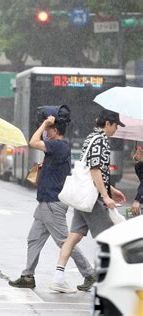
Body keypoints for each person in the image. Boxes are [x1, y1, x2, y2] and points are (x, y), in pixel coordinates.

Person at [8, 116, 94, 291]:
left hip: (53, 203)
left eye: (48, 130)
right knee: (34, 239)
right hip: (45, 203)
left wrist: (44, 123)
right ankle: (27, 276)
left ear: (55, 131)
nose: (46, 133)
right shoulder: (55, 148)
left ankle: (90, 274)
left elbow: (32, 142)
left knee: (65, 242)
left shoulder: (58, 146)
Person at [50, 109, 126, 293]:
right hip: (92, 199)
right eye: (115, 125)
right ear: (107, 123)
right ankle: (107, 278)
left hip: (83, 198)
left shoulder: (91, 137)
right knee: (111, 237)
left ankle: (58, 277)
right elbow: (94, 170)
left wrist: (111, 189)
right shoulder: (100, 140)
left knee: (73, 237)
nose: (116, 130)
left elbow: (95, 170)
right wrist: (106, 196)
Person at [131, 145, 143, 216]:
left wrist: (137, 200)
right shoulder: (138, 166)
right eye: (137, 152)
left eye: (141, 152)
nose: (138, 154)